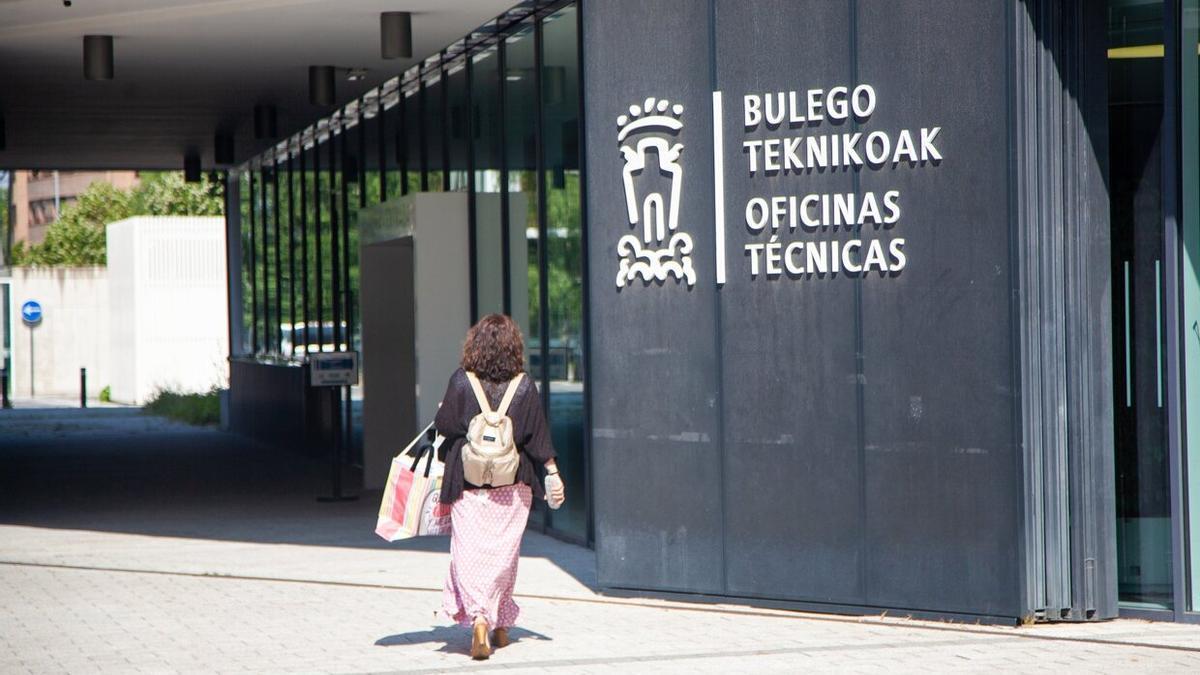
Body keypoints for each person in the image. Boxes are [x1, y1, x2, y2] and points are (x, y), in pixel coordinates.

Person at [435, 314, 565, 660]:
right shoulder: (524, 386)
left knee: (470, 555)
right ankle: (501, 626)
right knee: (504, 559)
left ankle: (480, 619)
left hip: (468, 482)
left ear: (475, 345)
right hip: (513, 484)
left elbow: (445, 425)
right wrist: (552, 472)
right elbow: (537, 437)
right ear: (513, 347)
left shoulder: (462, 381)